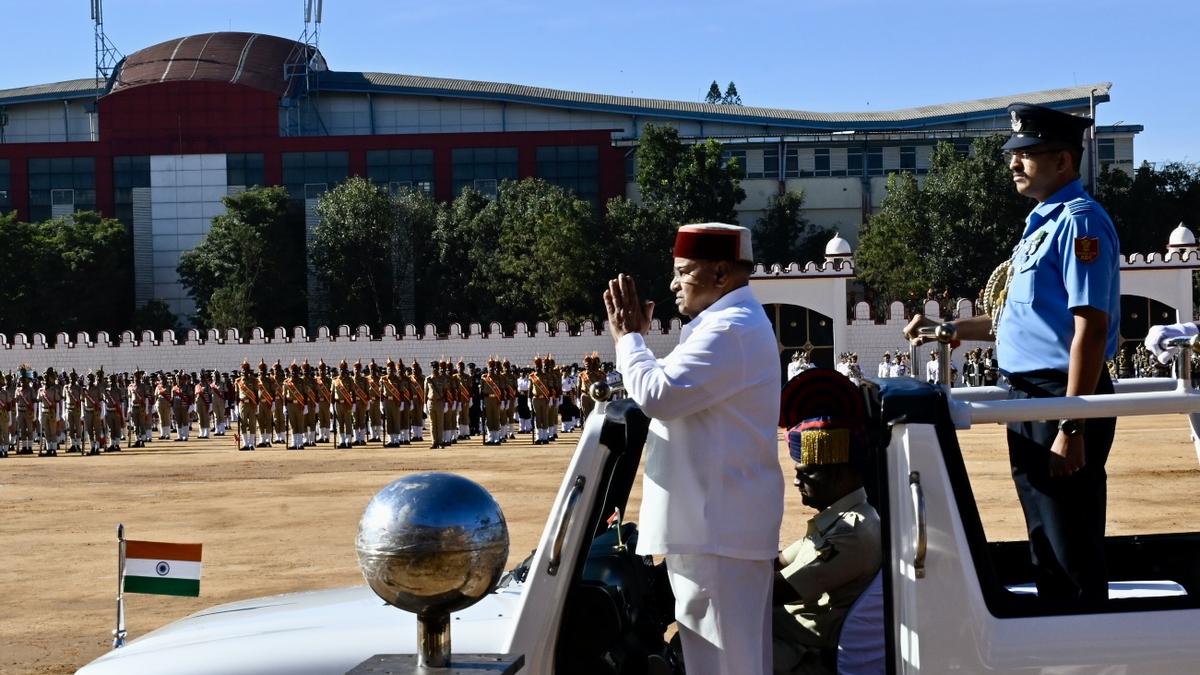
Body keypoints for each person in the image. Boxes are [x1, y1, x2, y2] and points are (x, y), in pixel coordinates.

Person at [905, 103, 1119, 605]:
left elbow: (1090, 327)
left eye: (1027, 153)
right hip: (1030, 395)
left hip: (1061, 395)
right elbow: (1017, 322)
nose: (1013, 163)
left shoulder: (1079, 224)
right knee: (1043, 531)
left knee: (1069, 539)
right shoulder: (1040, 224)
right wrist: (951, 327)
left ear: (1063, 162)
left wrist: (1072, 423)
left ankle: (1082, 646)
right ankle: (1056, 630)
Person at [604, 222, 784, 675]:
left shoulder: (731, 328)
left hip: (717, 532)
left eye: (684, 272)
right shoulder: (727, 324)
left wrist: (629, 339)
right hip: (718, 528)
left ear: (721, 274)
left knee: (723, 666)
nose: (673, 283)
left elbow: (658, 395)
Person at [773, 369, 882, 675]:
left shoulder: (854, 530)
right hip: (785, 632)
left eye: (806, 473)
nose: (798, 482)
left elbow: (773, 589)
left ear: (840, 474)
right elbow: (777, 563)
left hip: (803, 647)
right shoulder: (837, 520)